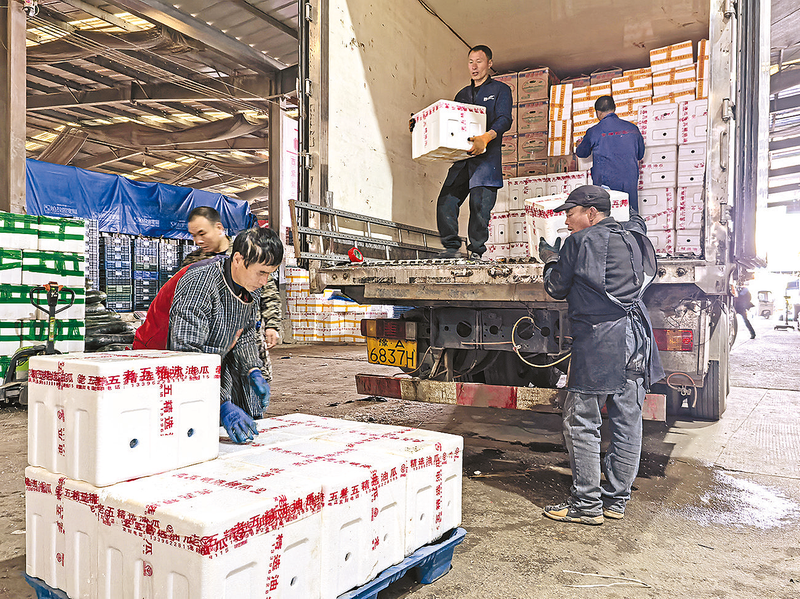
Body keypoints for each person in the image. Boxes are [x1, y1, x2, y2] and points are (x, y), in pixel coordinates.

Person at [538, 185, 664, 525]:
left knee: (581, 420)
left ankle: (586, 505)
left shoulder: (578, 242)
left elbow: (555, 287)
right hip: (636, 338)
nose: (566, 221)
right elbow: (637, 225)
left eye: (570, 213)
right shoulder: (635, 238)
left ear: (591, 213)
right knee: (628, 420)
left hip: (600, 341)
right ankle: (616, 501)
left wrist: (550, 259)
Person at [133, 227, 284, 444]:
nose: (264, 281)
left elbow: (245, 332)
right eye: (261, 273)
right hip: (162, 357)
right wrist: (221, 404)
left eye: (269, 274)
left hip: (211, 350)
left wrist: (253, 369)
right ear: (238, 259)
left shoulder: (251, 285)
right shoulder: (199, 283)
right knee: (174, 432)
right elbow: (187, 356)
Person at [413, 45, 512, 260]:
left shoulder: (500, 90)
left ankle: (476, 251)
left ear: (489, 64)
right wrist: (420, 127)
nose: (474, 66)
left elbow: (505, 119)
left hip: (486, 161)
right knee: (446, 200)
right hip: (463, 159)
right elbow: (450, 123)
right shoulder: (462, 94)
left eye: (479, 61)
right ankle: (451, 248)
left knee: (479, 206)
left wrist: (486, 137)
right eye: (470, 62)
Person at [182, 206, 282, 384]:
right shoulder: (193, 262)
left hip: (248, 335)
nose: (198, 240)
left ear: (219, 228)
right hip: (212, 341)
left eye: (202, 233)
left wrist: (272, 325)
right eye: (193, 235)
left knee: (255, 383)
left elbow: (268, 292)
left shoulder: (249, 251)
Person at [575, 96, 645, 212]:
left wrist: (580, 144)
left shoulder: (594, 131)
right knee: (630, 215)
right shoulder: (633, 128)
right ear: (614, 108)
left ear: (598, 113)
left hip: (606, 184)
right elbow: (640, 154)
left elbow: (582, 153)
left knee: (608, 216)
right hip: (629, 182)